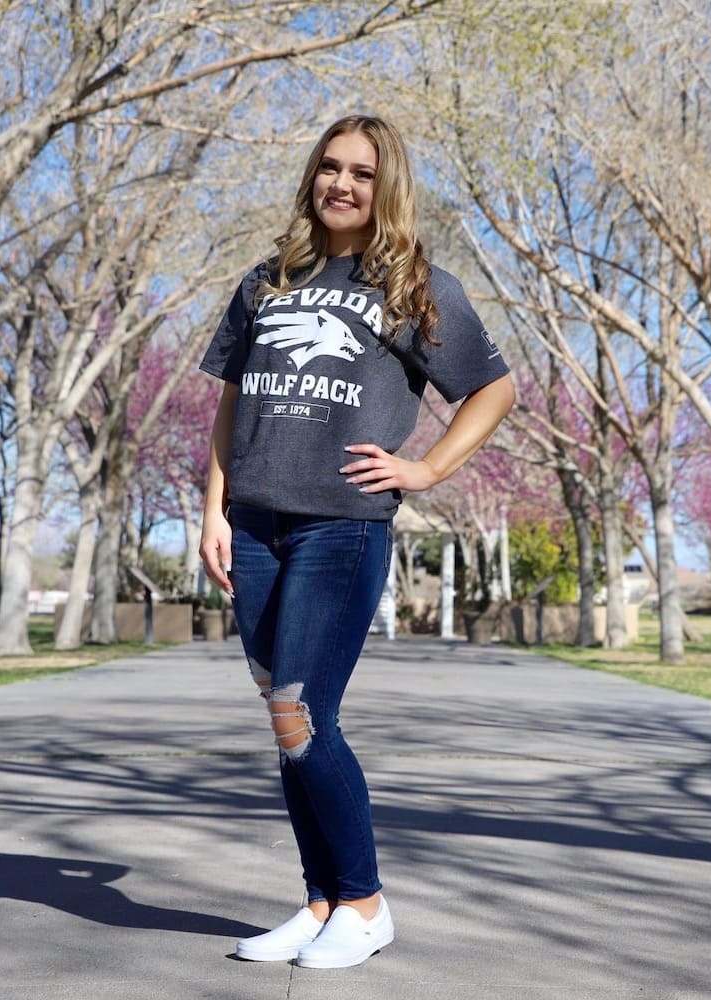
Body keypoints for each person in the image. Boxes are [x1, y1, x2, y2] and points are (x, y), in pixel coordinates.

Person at [198, 114, 514, 970]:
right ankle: (321, 900)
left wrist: (427, 470)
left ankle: (366, 905)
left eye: (363, 173)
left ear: (388, 186)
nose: (343, 183)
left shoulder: (417, 283)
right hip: (257, 523)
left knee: (301, 712)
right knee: (283, 718)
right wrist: (213, 510)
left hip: (343, 525)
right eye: (331, 168)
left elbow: (492, 388)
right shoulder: (267, 280)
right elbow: (233, 402)